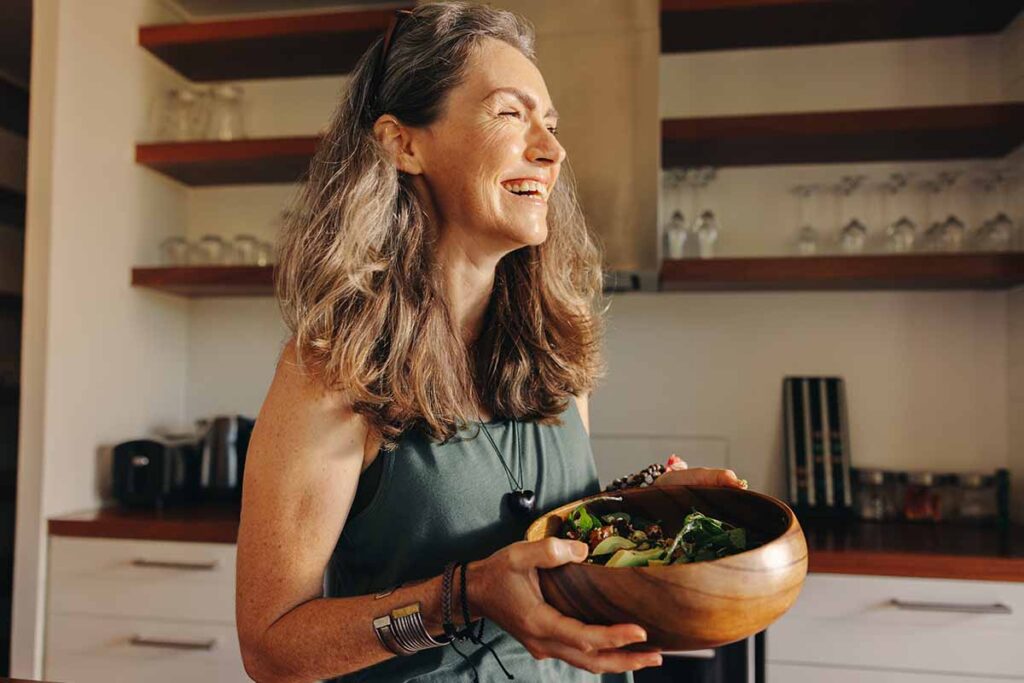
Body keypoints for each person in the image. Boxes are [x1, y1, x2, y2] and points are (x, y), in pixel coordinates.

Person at [235, 3, 746, 682]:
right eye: (512, 114)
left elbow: (555, 537)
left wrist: (649, 505)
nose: (552, 148)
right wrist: (464, 594)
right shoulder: (333, 369)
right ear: (404, 143)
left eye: (553, 125)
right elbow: (271, 648)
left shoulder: (556, 349)